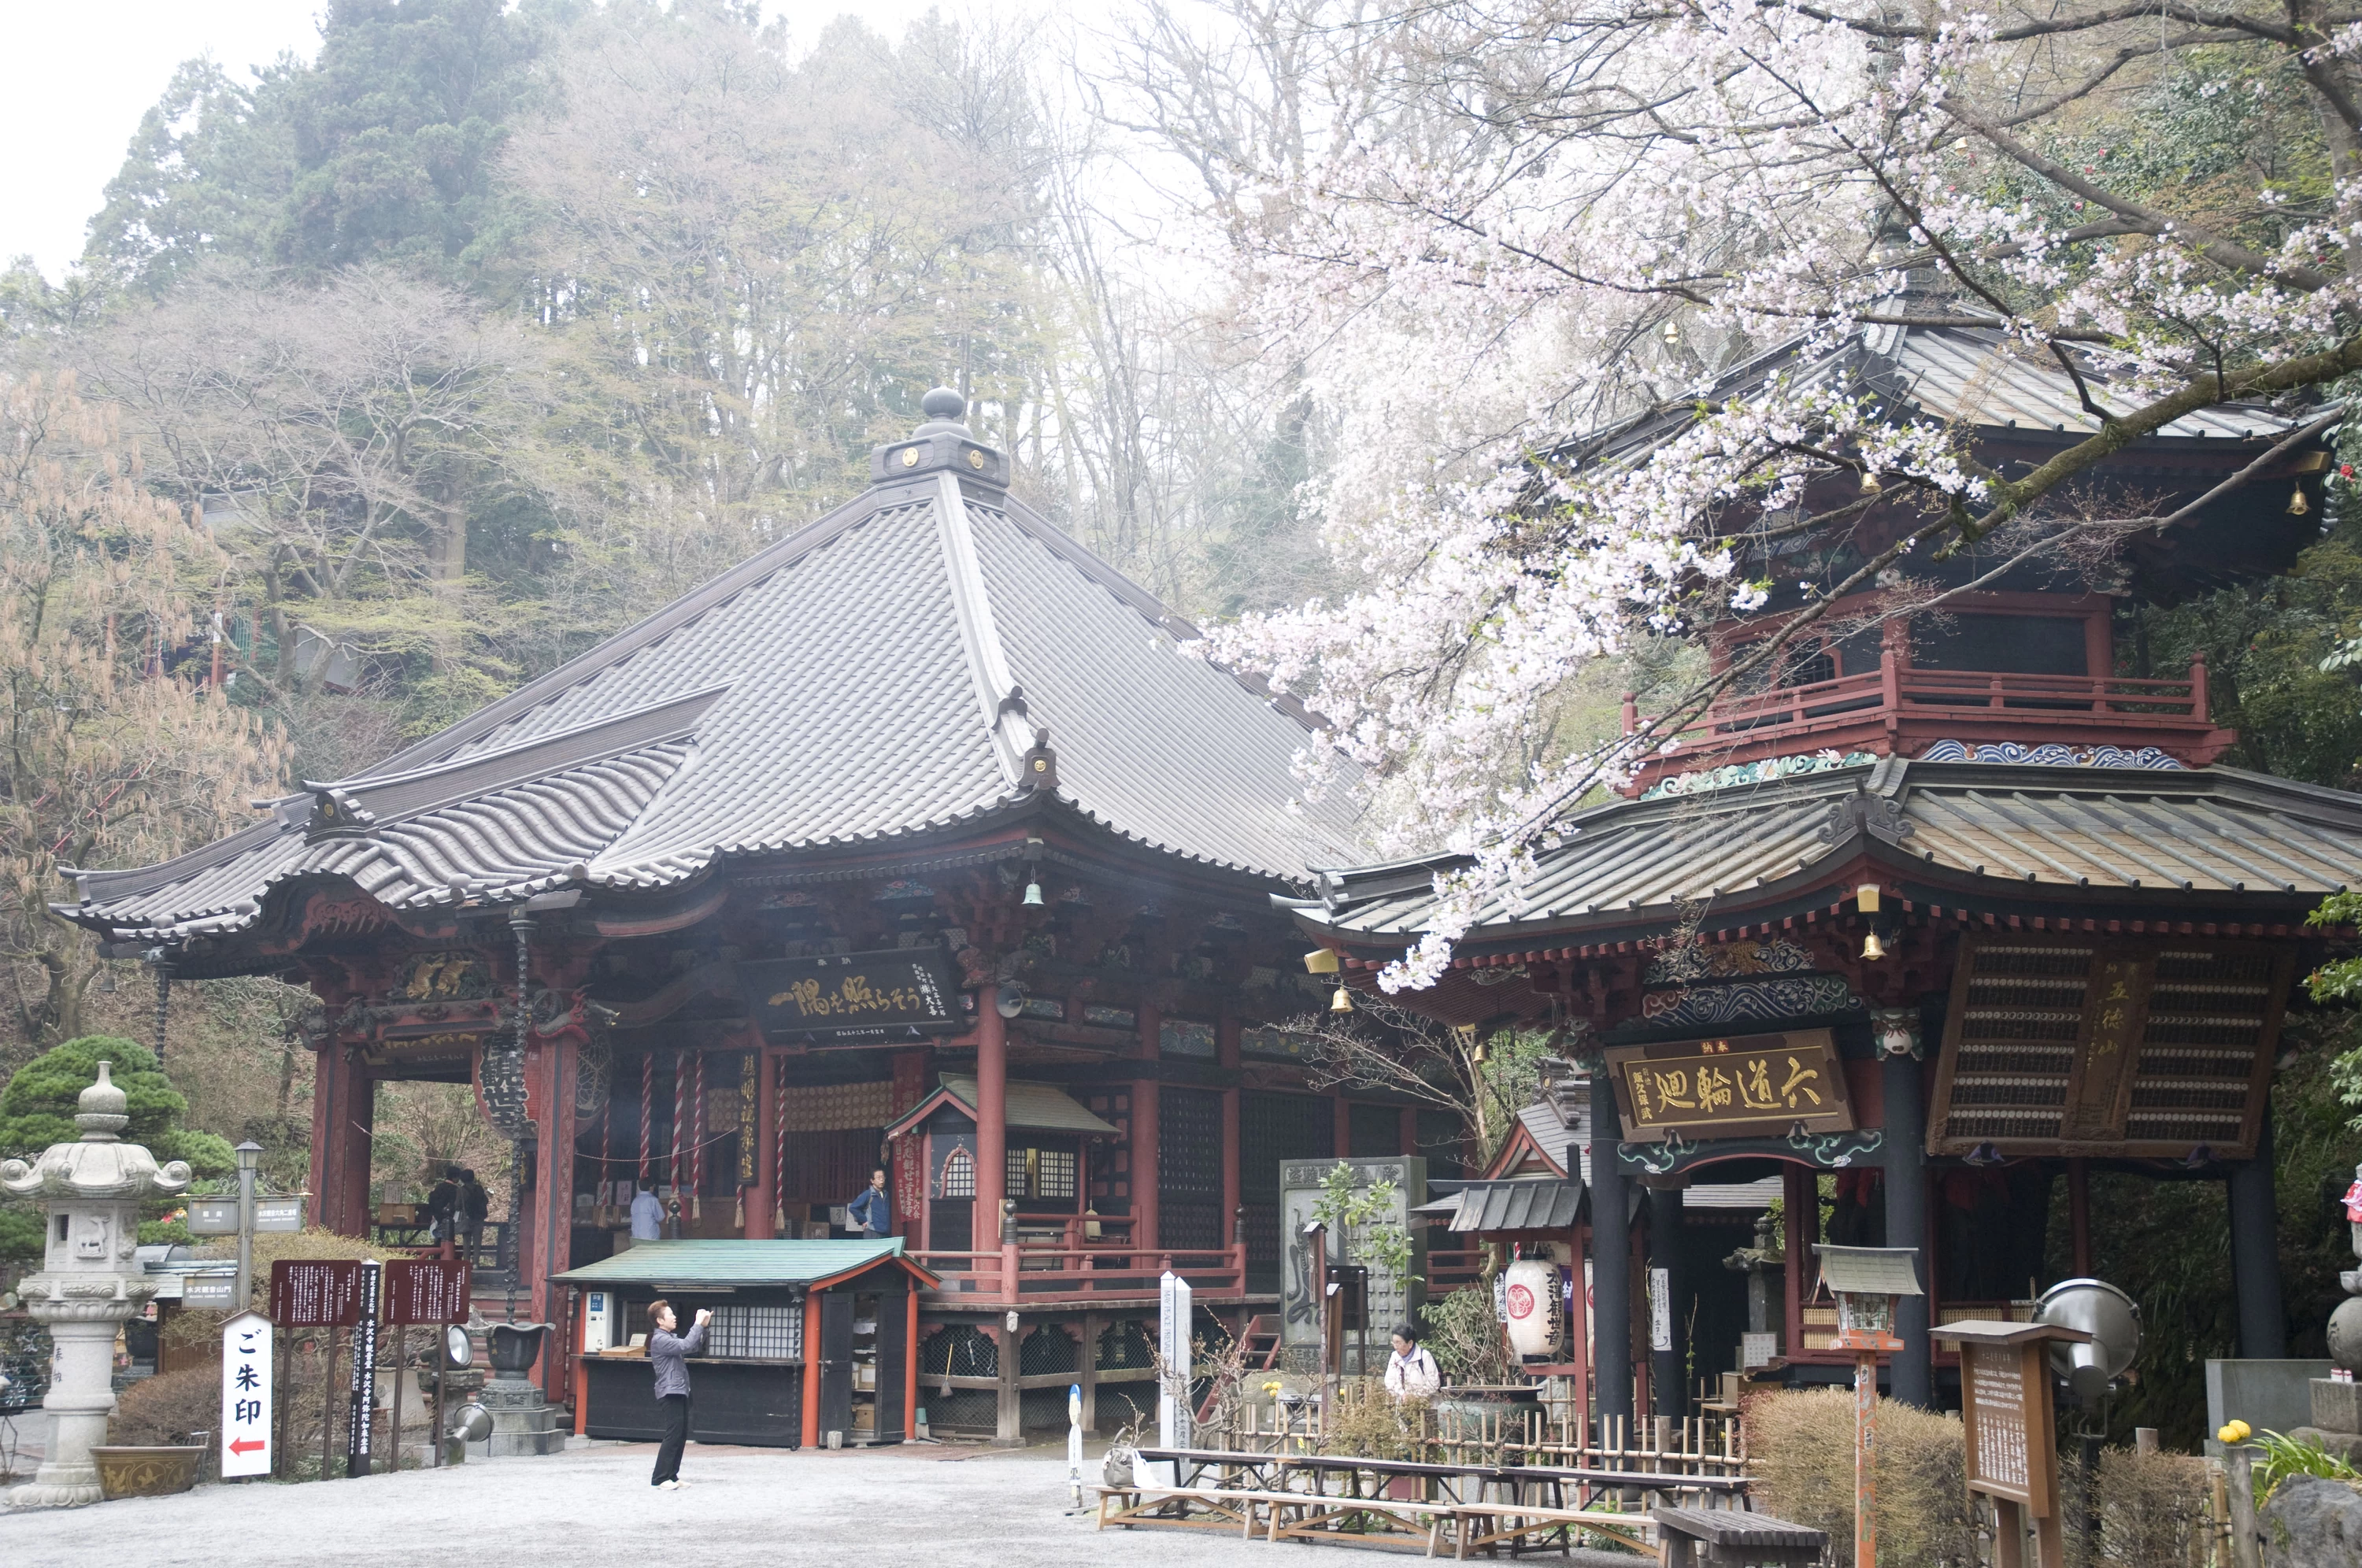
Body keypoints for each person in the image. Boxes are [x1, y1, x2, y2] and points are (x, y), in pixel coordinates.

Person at [646, 1297, 711, 1489]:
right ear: (660, 1321)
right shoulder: (660, 1339)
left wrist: (703, 1327)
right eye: (670, 1315)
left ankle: (672, 1476)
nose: (674, 1317)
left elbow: (693, 1346)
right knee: (673, 1434)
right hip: (670, 1391)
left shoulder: (668, 1338)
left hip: (679, 1390)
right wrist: (697, 1324)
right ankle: (659, 1478)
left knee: (680, 1434)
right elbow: (685, 1346)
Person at [1384, 1325, 1441, 1400]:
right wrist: (1402, 1394)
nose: (1395, 1346)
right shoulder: (1394, 1356)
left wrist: (1415, 1396)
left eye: (1398, 1343)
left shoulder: (1425, 1356)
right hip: (1402, 1405)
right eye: (1394, 1343)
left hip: (1426, 1405)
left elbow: (1434, 1383)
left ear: (1410, 1343)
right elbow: (1389, 1380)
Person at [846, 1167, 890, 1238]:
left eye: (883, 1177)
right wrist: (864, 1220)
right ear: (872, 1181)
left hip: (885, 1231)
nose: (881, 1180)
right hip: (872, 1231)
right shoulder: (868, 1194)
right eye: (878, 1178)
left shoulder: (886, 1194)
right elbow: (853, 1208)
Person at [457, 1168, 489, 1259]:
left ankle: (466, 1262)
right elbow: (485, 1200)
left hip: (467, 1218)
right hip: (479, 1218)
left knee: (466, 1241)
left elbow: (457, 1205)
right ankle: (476, 1263)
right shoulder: (479, 1188)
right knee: (477, 1241)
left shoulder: (461, 1191)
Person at [425, 1166, 461, 1244]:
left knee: (438, 1239)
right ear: (454, 1177)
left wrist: (434, 1215)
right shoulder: (455, 1190)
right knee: (448, 1240)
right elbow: (456, 1205)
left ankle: (436, 1255)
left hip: (437, 1217)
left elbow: (432, 1201)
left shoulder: (439, 1187)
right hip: (450, 1219)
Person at [629, 1180, 665, 1244]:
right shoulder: (653, 1200)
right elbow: (660, 1217)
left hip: (636, 1236)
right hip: (650, 1235)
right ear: (651, 1187)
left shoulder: (635, 1201)